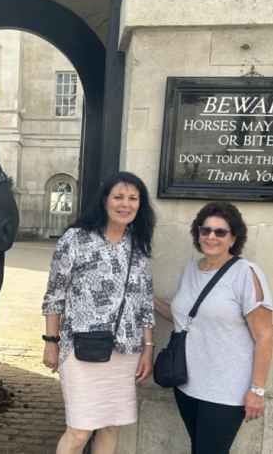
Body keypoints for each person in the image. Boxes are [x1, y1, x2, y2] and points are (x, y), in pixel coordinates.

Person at [42, 171, 156, 454]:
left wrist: (148, 349)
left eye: (133, 198)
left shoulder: (138, 245)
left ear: (140, 204)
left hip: (126, 350)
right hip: (81, 349)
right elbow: (55, 294)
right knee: (79, 431)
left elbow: (144, 302)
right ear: (105, 200)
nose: (125, 204)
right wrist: (50, 342)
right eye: (118, 197)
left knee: (110, 425)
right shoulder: (76, 239)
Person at [154, 201, 273, 454]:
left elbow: (265, 336)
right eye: (205, 230)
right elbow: (183, 319)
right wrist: (148, 300)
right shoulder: (191, 269)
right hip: (187, 384)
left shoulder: (246, 273)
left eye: (220, 232)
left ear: (233, 238)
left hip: (226, 391)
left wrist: (257, 390)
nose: (211, 236)